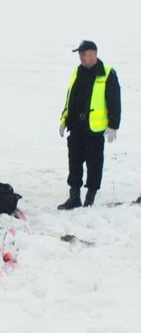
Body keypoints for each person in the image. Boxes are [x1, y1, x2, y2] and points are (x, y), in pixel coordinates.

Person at [58, 40, 121, 209]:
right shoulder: (77, 72)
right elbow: (70, 97)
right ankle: (74, 197)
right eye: (79, 54)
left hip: (94, 128)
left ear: (93, 53)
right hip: (76, 127)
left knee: (94, 164)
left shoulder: (107, 73)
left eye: (83, 53)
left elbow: (114, 101)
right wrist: (63, 120)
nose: (80, 57)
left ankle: (90, 199)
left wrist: (113, 125)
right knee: (74, 162)